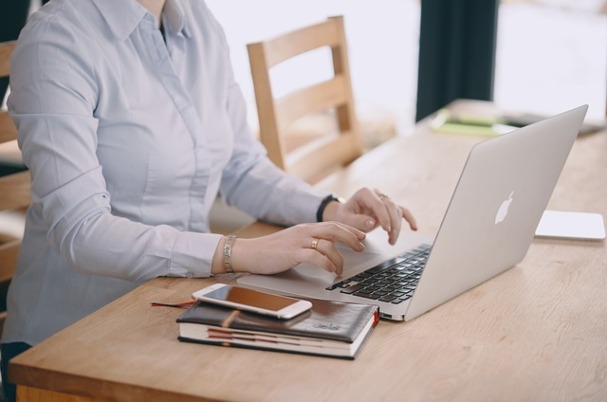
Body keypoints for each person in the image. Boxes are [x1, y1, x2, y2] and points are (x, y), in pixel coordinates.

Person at [0, 0, 417, 400]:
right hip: (71, 343)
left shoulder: (198, 20)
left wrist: (330, 208)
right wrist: (236, 252)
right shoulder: (58, 40)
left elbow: (240, 165)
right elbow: (81, 231)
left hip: (177, 305)